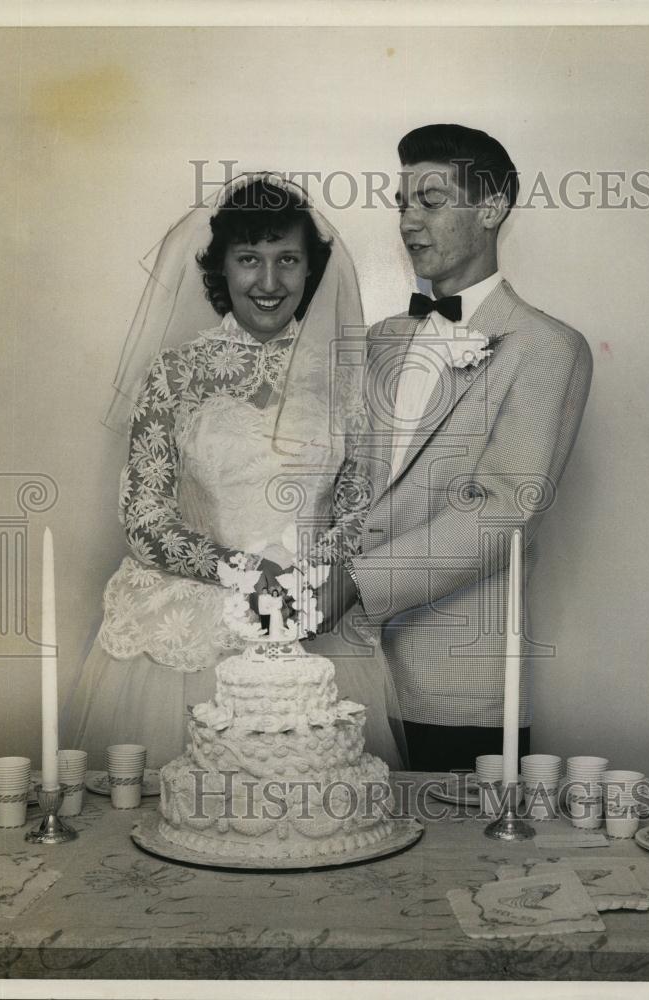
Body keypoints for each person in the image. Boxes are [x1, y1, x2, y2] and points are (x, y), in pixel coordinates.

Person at [62, 174, 406, 770]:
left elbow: (361, 509)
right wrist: (244, 570)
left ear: (310, 268)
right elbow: (144, 519)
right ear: (220, 267)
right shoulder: (174, 374)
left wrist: (307, 580)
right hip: (189, 629)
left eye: (287, 260)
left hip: (314, 617)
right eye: (249, 259)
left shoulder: (348, 380)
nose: (269, 283)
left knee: (320, 817)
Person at [317, 124, 593, 770]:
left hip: (456, 684)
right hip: (342, 671)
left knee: (453, 870)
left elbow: (503, 510)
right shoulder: (379, 340)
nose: (410, 222)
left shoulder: (548, 348)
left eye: (431, 202)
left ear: (491, 208)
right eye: (402, 203)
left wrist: (354, 582)